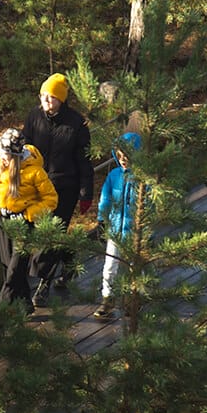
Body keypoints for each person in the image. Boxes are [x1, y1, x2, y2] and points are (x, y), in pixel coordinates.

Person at [21, 72, 92, 304]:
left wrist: (85, 193)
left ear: (61, 99)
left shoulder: (76, 124)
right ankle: (69, 260)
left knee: (51, 234)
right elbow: (24, 147)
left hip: (65, 187)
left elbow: (84, 160)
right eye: (43, 96)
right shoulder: (34, 117)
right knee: (37, 231)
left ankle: (42, 285)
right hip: (37, 187)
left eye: (51, 97)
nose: (45, 101)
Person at [0, 127, 59, 314]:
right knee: (9, 265)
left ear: (15, 155)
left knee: (14, 269)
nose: (3, 159)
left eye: (6, 155)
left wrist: (29, 213)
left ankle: (1, 310)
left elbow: (51, 199)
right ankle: (25, 305)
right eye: (1, 154)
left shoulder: (34, 172)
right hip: (4, 222)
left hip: (24, 224)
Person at [95, 132, 141, 318]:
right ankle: (107, 298)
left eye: (127, 155)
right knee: (110, 264)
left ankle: (133, 300)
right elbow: (105, 199)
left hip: (135, 232)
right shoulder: (114, 176)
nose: (123, 160)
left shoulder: (142, 178)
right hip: (114, 229)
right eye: (119, 155)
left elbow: (150, 205)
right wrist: (101, 219)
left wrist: (147, 230)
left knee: (134, 267)